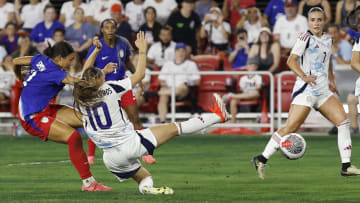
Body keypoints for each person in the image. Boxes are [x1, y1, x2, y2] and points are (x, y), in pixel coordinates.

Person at [73, 31, 230, 195]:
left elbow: (86, 76)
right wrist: (142, 50)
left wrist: (97, 59)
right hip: (129, 142)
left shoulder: (80, 96)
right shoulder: (110, 88)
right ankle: (219, 116)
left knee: (144, 177)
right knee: (175, 127)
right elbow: (139, 75)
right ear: (101, 80)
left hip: (110, 158)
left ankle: (147, 189)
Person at [252, 7, 360, 180]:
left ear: (324, 21)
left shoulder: (328, 39)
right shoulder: (305, 38)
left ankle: (346, 166)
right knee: (291, 127)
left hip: (323, 91)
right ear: (308, 22)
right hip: (306, 90)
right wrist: (304, 76)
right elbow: (290, 61)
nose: (316, 23)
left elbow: (328, 63)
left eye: (319, 20)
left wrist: (331, 81)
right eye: (313, 20)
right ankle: (261, 158)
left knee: (343, 122)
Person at [12, 40, 114, 191]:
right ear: (60, 58)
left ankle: (111, 150)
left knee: (88, 118)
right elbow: (80, 83)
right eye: (70, 59)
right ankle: (89, 183)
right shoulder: (56, 73)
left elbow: (16, 61)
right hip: (32, 117)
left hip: (45, 107)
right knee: (74, 137)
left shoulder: (40, 59)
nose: (72, 62)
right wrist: (103, 73)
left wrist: (20, 77)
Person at [86, 19, 154, 164]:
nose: (110, 30)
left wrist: (139, 80)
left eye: (112, 27)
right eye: (107, 27)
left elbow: (127, 61)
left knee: (135, 118)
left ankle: (144, 152)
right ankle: (90, 155)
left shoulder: (123, 42)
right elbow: (88, 70)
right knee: (99, 121)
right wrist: (103, 72)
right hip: (103, 88)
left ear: (116, 29)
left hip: (123, 86)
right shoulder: (97, 47)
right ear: (102, 30)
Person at [157, 42, 200, 123]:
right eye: (178, 51)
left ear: (185, 53)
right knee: (163, 97)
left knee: (181, 87)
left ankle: (158, 93)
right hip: (168, 88)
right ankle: (162, 121)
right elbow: (162, 79)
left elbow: (197, 81)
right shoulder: (167, 64)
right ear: (175, 52)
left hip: (183, 91)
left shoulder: (191, 64)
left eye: (182, 51)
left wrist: (188, 83)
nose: (180, 53)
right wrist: (164, 85)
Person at [223, 57, 262, 123]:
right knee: (233, 101)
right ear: (247, 66)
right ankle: (233, 121)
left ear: (256, 67)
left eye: (254, 66)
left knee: (255, 93)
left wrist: (250, 90)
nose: (252, 67)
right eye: (250, 65)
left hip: (253, 94)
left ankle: (231, 96)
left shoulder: (258, 77)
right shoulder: (243, 78)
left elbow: (258, 87)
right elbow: (241, 89)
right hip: (244, 94)